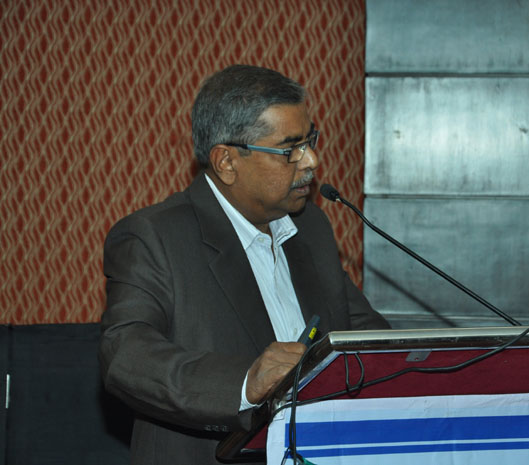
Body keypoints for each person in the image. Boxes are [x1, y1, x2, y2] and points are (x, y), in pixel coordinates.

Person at [99, 65, 390, 465]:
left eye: (310, 140)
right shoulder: (155, 236)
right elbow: (125, 354)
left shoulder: (311, 227)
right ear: (227, 162)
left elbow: (363, 335)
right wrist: (245, 383)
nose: (311, 160)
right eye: (290, 149)